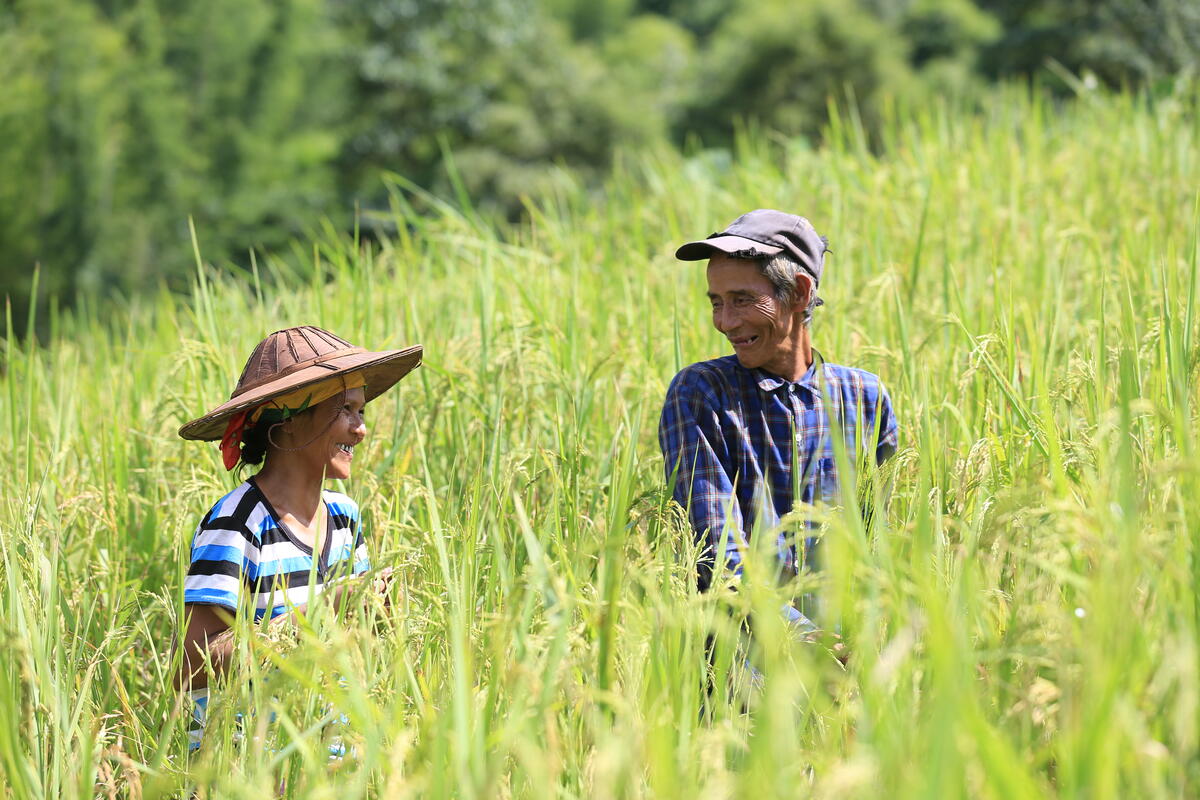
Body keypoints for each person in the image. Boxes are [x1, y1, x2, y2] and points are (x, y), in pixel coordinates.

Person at [175, 325, 422, 750]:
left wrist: (377, 616)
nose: (360, 429)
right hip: (251, 769)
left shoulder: (346, 517)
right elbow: (193, 668)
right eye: (345, 409)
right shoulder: (237, 522)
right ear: (288, 421)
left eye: (361, 412)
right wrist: (319, 613)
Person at [658, 209, 898, 626]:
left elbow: (881, 545)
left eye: (743, 300)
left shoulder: (863, 397)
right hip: (742, 670)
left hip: (854, 665)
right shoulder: (703, 393)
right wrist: (805, 641)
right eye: (717, 303)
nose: (726, 322)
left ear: (800, 293)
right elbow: (718, 556)